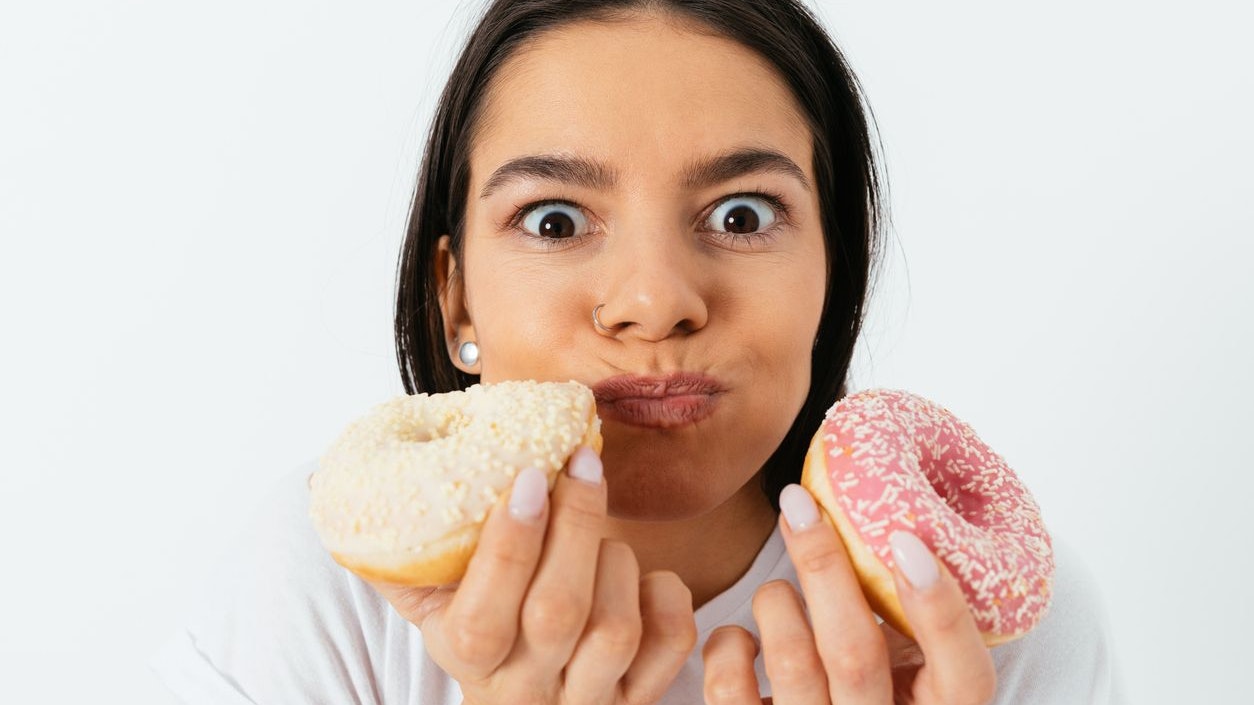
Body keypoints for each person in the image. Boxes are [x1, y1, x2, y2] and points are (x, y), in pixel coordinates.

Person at [152, 0, 1123, 702]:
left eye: (742, 215)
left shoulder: (978, 636)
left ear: (834, 275)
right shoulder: (326, 590)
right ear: (454, 298)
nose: (656, 303)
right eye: (556, 218)